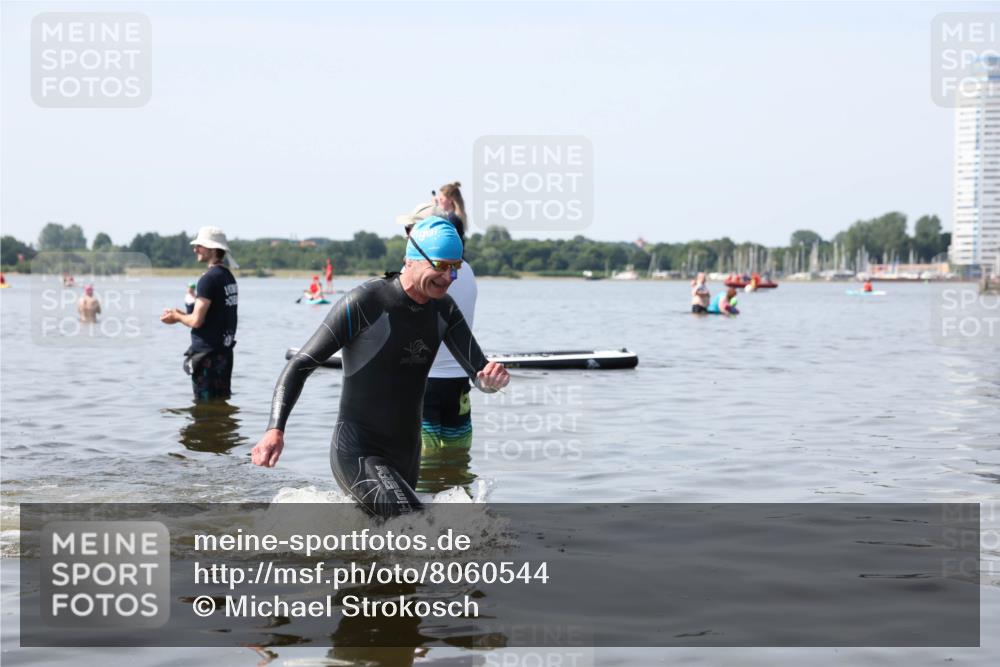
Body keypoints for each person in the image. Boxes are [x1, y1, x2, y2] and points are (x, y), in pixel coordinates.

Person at [251, 217, 509, 518]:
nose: (450, 276)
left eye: (456, 267)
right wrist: (275, 429)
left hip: (407, 455)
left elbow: (478, 371)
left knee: (391, 545)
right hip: (358, 449)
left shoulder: (445, 309)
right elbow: (301, 364)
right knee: (412, 527)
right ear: (412, 259)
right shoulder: (367, 302)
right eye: (442, 265)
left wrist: (491, 381)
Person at [160, 226, 239, 400]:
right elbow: (215, 312)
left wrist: (177, 317)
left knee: (204, 409)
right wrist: (181, 313)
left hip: (207, 356)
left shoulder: (208, 279)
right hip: (224, 353)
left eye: (199, 246)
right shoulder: (228, 276)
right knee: (221, 403)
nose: (195, 249)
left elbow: (196, 321)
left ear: (211, 249)